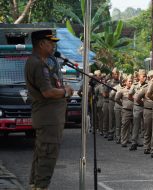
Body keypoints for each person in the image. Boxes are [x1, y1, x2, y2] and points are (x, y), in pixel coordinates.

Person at [25, 30, 74, 190]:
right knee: (47, 155)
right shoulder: (38, 64)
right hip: (48, 119)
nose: (53, 46)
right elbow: (47, 92)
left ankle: (35, 185)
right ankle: (41, 186)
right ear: (41, 44)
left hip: (48, 118)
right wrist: (65, 91)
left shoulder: (42, 62)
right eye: (50, 42)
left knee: (41, 154)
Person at [128, 69, 147, 151]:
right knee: (136, 126)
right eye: (143, 76)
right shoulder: (135, 85)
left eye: (146, 76)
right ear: (139, 77)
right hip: (137, 107)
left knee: (146, 126)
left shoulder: (148, 85)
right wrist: (135, 101)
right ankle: (134, 143)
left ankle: (147, 144)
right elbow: (129, 95)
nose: (145, 78)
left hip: (145, 107)